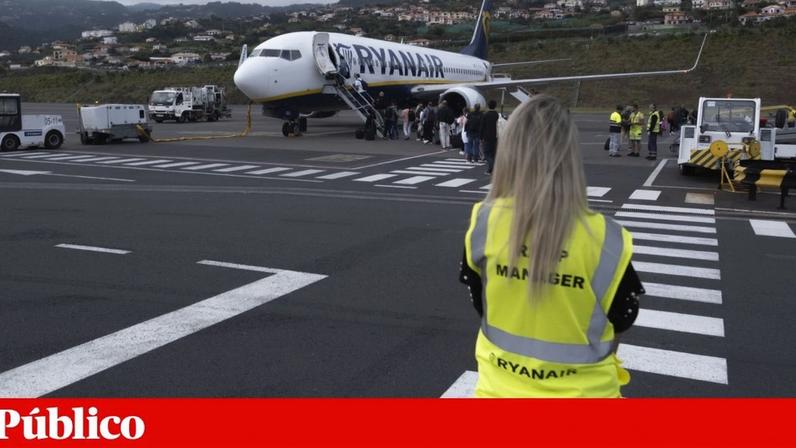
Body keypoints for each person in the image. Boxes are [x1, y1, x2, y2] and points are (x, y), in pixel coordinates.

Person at [459, 94, 643, 398]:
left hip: (499, 392)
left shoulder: (484, 222)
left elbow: (481, 303)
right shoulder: (606, 238)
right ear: (569, 153)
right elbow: (622, 318)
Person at [480, 99, 500, 175]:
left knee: (486, 153)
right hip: (495, 136)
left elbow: (482, 127)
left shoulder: (485, 115)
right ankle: (490, 170)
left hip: (487, 137)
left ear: (488, 106)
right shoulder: (497, 115)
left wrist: (481, 137)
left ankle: (492, 166)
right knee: (493, 153)